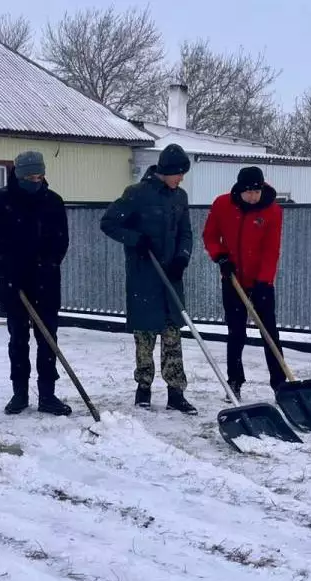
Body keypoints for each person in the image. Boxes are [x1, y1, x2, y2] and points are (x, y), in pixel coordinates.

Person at [99, 143, 197, 415]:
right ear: (165, 171)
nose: (181, 179)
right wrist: (135, 240)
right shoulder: (136, 194)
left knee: (172, 336)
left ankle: (176, 392)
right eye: (179, 173)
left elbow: (186, 233)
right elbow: (109, 223)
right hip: (144, 276)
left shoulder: (180, 197)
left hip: (171, 278)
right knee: (145, 338)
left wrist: (182, 259)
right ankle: (143, 389)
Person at [0, 150, 72, 416]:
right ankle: (19, 393)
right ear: (18, 176)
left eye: (39, 175)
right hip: (13, 282)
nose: (36, 180)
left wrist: (49, 263)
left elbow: (61, 240)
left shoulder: (53, 201)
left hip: (46, 281)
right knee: (18, 339)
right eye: (30, 176)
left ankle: (47, 394)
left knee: (47, 338)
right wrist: (7, 268)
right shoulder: (0, 201)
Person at [201, 166, 285, 399]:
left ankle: (280, 384)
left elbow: (271, 250)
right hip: (232, 279)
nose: (253, 197)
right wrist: (220, 257)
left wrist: (263, 282)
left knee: (269, 333)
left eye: (256, 191)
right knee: (236, 332)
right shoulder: (222, 205)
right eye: (248, 192)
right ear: (239, 190)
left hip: (261, 282)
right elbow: (209, 235)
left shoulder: (272, 211)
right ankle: (235, 381)